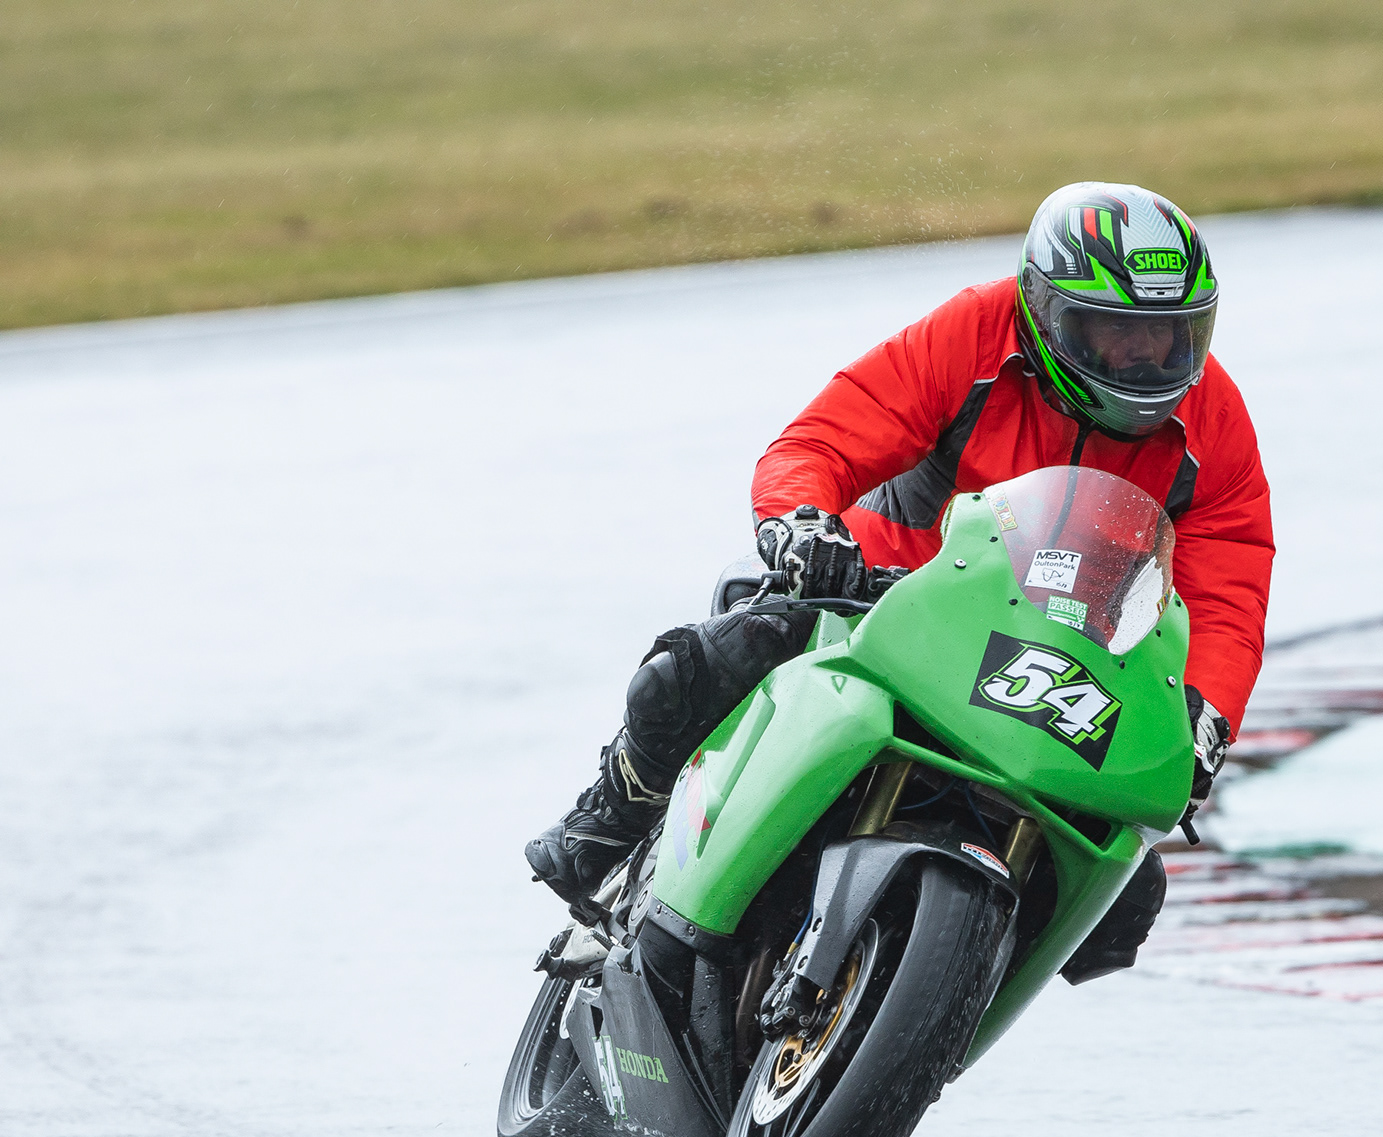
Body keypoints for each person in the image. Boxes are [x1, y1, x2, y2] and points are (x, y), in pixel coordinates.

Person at [525, 181, 1274, 979]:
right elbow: (824, 440)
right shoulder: (975, 332)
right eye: (1117, 332)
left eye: (1168, 334)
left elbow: (1230, 583)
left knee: (1121, 898)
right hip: (891, 603)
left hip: (1054, 661)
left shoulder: (1214, 416)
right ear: (1046, 311)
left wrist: (1206, 713)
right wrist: (801, 524)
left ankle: (954, 994)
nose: (1146, 358)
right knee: (711, 660)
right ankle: (610, 829)